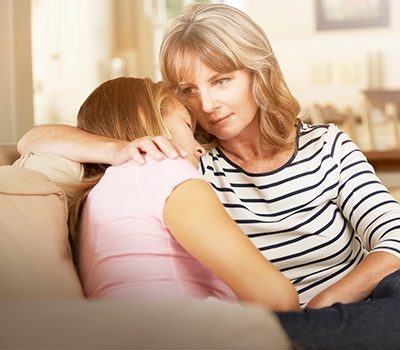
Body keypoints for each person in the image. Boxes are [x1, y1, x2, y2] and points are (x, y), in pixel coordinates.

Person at [18, 3, 400, 349]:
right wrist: (113, 149)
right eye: (189, 90)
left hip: (347, 314)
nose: (207, 104)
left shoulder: (326, 146)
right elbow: (34, 138)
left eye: (221, 81)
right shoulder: (189, 163)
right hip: (266, 325)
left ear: (257, 74)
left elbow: (394, 237)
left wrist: (320, 311)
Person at [61, 76, 299, 311]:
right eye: (187, 126)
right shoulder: (163, 168)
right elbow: (276, 298)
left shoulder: (96, 196)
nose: (199, 149)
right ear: (147, 116)